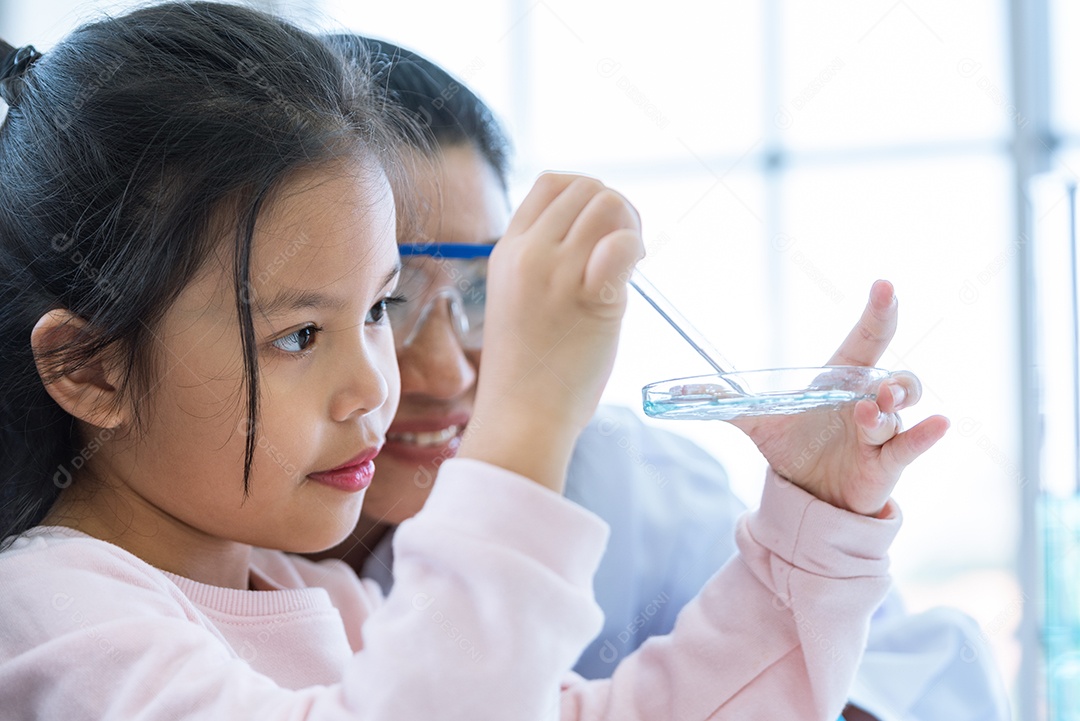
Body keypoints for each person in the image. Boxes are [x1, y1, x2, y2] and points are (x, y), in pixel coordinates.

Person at [0, 4, 945, 718]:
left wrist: (809, 527)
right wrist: (525, 422)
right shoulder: (50, 614)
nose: (379, 380)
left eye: (376, 306)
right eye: (298, 334)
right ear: (92, 368)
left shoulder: (316, 593)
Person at [314, 36, 1011, 721]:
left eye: (482, 292)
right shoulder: (230, 589)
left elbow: (911, 671)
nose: (444, 370)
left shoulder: (626, 480)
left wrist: (814, 532)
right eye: (388, 300)